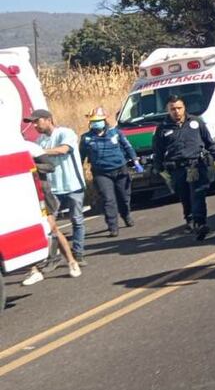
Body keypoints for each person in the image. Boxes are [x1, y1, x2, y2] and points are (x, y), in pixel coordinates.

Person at [22, 109, 87, 264]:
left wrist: (40, 152)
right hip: (53, 189)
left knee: (77, 220)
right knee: (49, 224)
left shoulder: (66, 133)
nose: (34, 125)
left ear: (48, 119)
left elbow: (64, 149)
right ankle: (55, 255)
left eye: (37, 121)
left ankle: (78, 253)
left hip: (73, 184)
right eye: (33, 123)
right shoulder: (39, 141)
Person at [152, 96, 215, 240]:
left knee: (198, 194)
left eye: (179, 108)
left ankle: (200, 223)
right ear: (168, 110)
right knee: (184, 196)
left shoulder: (196, 122)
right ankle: (190, 220)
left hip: (196, 165)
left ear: (184, 108)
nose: (176, 111)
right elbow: (158, 150)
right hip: (177, 168)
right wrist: (159, 169)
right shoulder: (162, 128)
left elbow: (209, 141)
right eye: (173, 109)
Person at [20, 144, 82, 285]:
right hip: (22, 197)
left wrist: (29, 166)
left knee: (52, 228)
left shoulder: (30, 148)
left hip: (41, 195)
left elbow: (50, 166)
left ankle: (72, 262)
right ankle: (34, 270)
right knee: (26, 234)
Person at [79, 107, 140, 237]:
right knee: (108, 199)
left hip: (120, 169)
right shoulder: (86, 138)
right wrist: (79, 171)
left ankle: (126, 215)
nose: (96, 123)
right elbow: (81, 156)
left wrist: (135, 161)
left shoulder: (115, 133)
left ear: (104, 120)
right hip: (101, 173)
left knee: (124, 197)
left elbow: (127, 146)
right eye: (93, 121)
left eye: (98, 120)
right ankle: (113, 226)